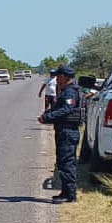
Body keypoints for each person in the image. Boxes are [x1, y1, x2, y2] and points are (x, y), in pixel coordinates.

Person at [38, 64, 83, 203]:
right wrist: (48, 114)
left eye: (57, 76)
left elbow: (67, 109)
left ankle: (70, 195)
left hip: (68, 132)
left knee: (67, 163)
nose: (56, 78)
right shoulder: (66, 90)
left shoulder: (70, 92)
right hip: (64, 131)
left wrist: (48, 117)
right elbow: (59, 108)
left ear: (63, 77)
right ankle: (65, 191)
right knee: (63, 163)